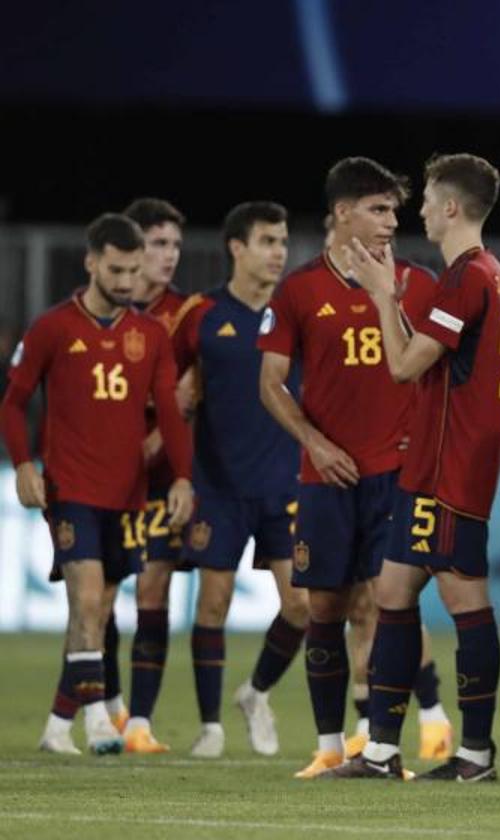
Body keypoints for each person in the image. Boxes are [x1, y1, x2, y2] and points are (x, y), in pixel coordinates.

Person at [327, 153, 500, 783]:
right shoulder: (483, 274)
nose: (420, 211)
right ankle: (380, 751)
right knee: (392, 591)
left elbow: (404, 366)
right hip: (431, 465)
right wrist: (400, 302)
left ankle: (477, 754)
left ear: (452, 207)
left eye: (428, 200)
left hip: (449, 469)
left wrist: (381, 298)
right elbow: (434, 357)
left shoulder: (468, 277)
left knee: (464, 600)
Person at [257, 157, 441, 778]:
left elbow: (437, 369)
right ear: (341, 212)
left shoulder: (418, 282)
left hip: (397, 473)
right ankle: (329, 747)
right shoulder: (300, 290)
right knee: (325, 609)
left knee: (385, 606)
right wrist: (312, 440)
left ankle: (378, 744)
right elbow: (271, 383)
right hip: (327, 477)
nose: (392, 222)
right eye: (378, 209)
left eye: (394, 210)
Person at [1, 213, 193, 755]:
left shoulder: (149, 334)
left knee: (97, 612)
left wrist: (181, 476)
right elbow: (13, 403)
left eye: (134, 270)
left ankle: (57, 728)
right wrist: (23, 463)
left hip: (127, 493)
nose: (128, 281)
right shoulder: (54, 328)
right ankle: (98, 721)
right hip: (70, 488)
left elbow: (172, 419)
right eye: (117, 269)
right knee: (87, 601)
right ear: (91, 263)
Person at [168, 201, 308, 757]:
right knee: (212, 603)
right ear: (237, 247)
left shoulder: (295, 312)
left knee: (301, 607)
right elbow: (166, 380)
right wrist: (177, 399)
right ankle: (210, 728)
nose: (279, 252)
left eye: (282, 241)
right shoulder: (201, 313)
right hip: (218, 487)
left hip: (285, 483)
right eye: (268, 241)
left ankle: (256, 692)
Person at [121, 197, 190, 753]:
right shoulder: (99, 315)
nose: (168, 256)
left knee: (153, 586)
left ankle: (140, 721)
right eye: (156, 244)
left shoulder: (185, 315)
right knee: (91, 595)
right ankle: (105, 709)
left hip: (163, 478)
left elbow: (187, 399)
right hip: (103, 476)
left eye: (174, 246)